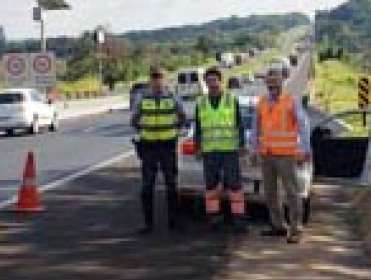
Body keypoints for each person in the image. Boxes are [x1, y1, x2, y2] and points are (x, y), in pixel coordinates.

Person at [252, 66, 311, 244]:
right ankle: (277, 226)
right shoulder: (262, 102)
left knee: (292, 193)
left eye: (276, 81)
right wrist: (254, 149)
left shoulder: (291, 101)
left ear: (282, 82)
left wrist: (305, 150)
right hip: (266, 155)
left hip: (286, 155)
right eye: (269, 82)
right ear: (266, 84)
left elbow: (303, 126)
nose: (272, 85)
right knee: (270, 193)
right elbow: (256, 127)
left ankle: (296, 229)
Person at [130, 65, 187, 234]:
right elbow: (134, 120)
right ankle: (148, 224)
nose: (157, 82)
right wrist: (144, 132)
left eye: (160, 78)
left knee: (172, 185)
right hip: (149, 147)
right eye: (154, 78)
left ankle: (174, 221)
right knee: (147, 186)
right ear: (150, 81)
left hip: (168, 145)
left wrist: (175, 131)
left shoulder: (173, 97)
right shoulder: (142, 98)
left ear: (165, 80)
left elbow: (182, 116)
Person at [194, 67, 249, 234]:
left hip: (229, 151)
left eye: (214, 80)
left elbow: (239, 125)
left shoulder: (231, 100)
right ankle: (214, 219)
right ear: (206, 83)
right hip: (210, 152)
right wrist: (198, 147)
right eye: (208, 81)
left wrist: (241, 144)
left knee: (235, 187)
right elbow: (198, 128)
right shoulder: (201, 102)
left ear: (220, 81)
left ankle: (239, 221)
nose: (212, 84)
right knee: (211, 187)